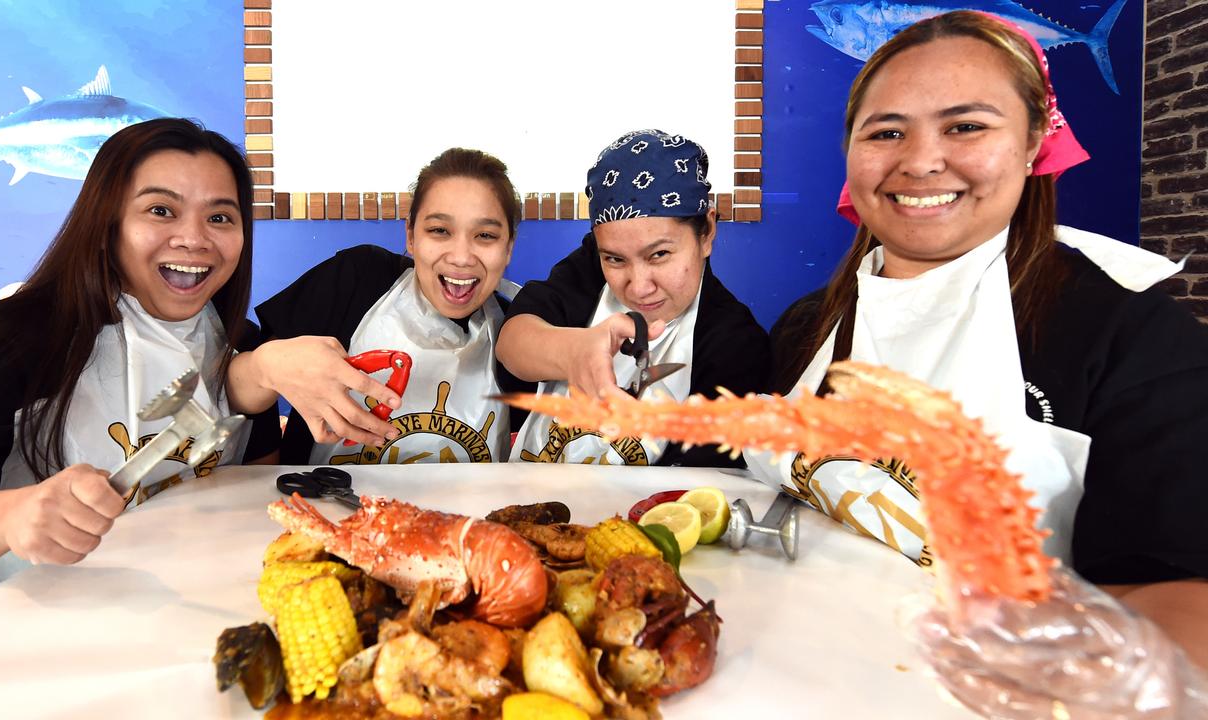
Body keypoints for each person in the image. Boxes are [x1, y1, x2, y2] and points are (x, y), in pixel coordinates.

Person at [756, 10, 1208, 713]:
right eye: (886, 132)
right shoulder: (802, 328)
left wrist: (1077, 681)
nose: (921, 160)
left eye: (965, 126)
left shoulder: (1129, 333)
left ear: (1034, 142)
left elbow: (1184, 594)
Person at [0, 118, 280, 614]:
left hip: (195, 627)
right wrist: (10, 516)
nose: (194, 239)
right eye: (161, 210)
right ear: (105, 222)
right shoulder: (13, 340)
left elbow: (257, 500)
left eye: (220, 218)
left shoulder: (239, 342)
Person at [229, 148, 532, 465]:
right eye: (440, 230)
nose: (461, 256)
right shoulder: (356, 280)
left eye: (485, 235)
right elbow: (236, 395)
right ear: (411, 236)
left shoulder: (518, 338)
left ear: (508, 247)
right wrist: (265, 367)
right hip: (323, 507)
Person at [497, 130, 769, 466]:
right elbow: (512, 343)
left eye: (659, 255)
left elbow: (698, 491)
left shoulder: (736, 344)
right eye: (615, 259)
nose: (638, 287)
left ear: (707, 233)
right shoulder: (589, 268)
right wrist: (573, 352)